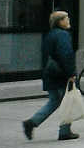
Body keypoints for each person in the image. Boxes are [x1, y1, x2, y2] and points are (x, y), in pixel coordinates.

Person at [22, 11, 79, 141]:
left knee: (54, 101)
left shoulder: (50, 35)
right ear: (60, 21)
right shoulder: (63, 35)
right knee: (68, 101)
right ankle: (64, 131)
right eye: (66, 18)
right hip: (61, 74)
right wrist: (71, 74)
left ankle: (31, 123)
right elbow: (66, 55)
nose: (69, 20)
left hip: (50, 73)